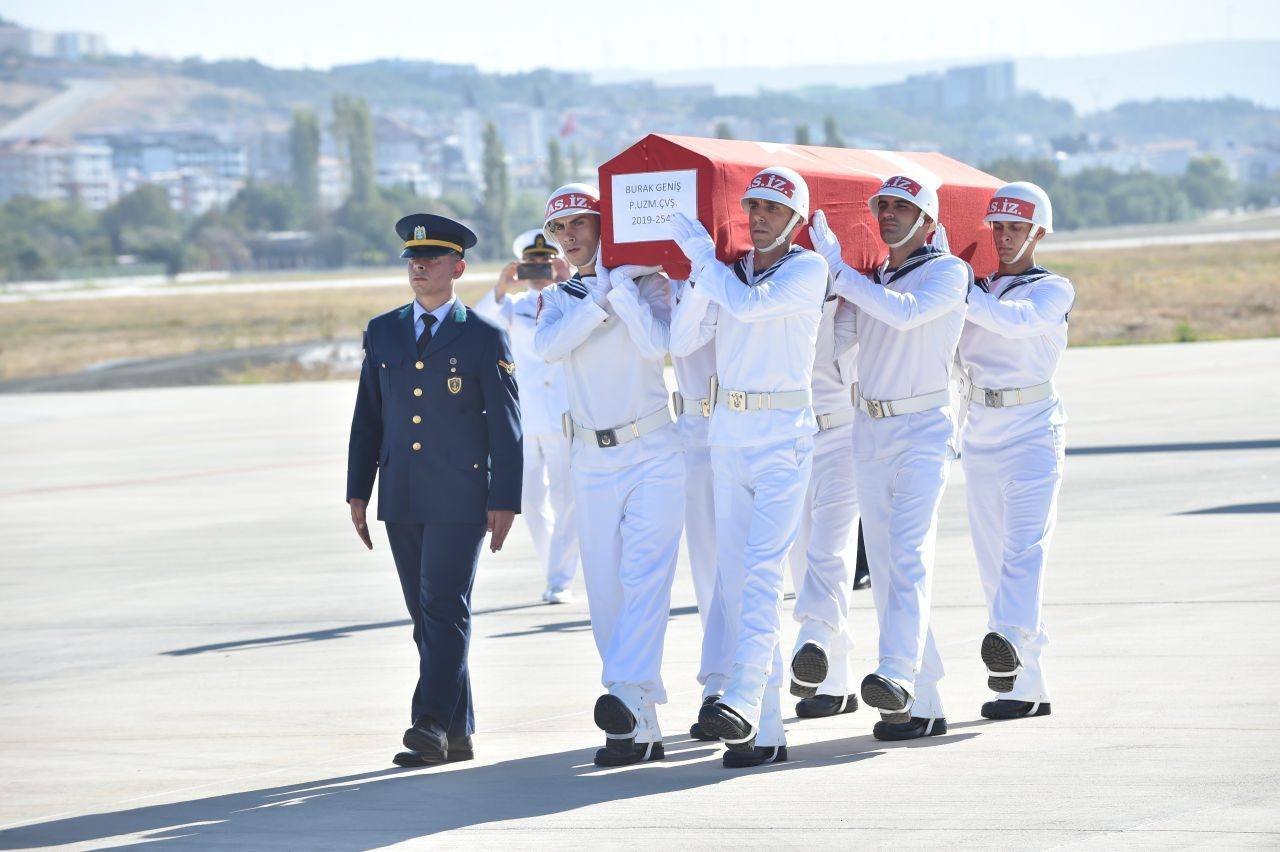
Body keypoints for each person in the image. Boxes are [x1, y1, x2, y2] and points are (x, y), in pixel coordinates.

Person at [346, 213, 522, 767]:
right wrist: (358, 490)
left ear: (458, 267)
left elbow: (506, 425)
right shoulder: (384, 331)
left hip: (460, 495)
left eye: (433, 259)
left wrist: (504, 498)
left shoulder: (483, 334)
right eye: (414, 259)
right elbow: (367, 418)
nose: (420, 266)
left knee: (443, 606)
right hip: (400, 493)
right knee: (425, 617)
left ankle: (428, 723)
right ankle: (459, 730)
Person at [670, 166, 827, 768]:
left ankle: (738, 696)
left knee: (762, 572)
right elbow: (684, 341)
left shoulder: (807, 269)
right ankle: (761, 730)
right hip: (729, 434)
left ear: (796, 220)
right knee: (735, 583)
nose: (758, 217)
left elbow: (749, 307)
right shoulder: (727, 274)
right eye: (753, 207)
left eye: (772, 209)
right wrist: (692, 277)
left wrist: (706, 266)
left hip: (783, 436)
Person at [810, 173, 969, 741]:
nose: (890, 215)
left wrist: (841, 271)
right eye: (884, 207)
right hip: (870, 429)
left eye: (904, 208)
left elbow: (903, 313)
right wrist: (829, 289)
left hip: (923, 427)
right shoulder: (873, 278)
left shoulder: (949, 272)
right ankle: (921, 699)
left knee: (907, 554)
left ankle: (897, 671)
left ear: (927, 221)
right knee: (884, 566)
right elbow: (832, 347)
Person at [532, 182, 685, 767]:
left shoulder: (648, 283)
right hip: (591, 459)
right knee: (605, 591)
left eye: (578, 224)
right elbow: (550, 348)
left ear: (604, 225)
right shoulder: (558, 296)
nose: (569, 237)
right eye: (558, 229)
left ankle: (621, 692)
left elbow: (657, 346)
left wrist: (622, 291)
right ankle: (637, 721)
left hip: (653, 449)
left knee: (646, 575)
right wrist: (599, 298)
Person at [959, 181, 1073, 721]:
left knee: (1024, 550)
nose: (1005, 238)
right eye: (997, 227)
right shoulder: (973, 288)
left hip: (1033, 430)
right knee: (991, 560)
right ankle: (1025, 685)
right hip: (980, 429)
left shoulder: (1054, 289)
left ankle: (1005, 640)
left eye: (1016, 228)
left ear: (1038, 232)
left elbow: (1016, 322)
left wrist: (959, 291)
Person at [474, 229, 579, 604]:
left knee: (568, 501)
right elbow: (478, 322)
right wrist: (500, 287)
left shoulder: (571, 298)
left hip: (565, 418)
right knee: (531, 502)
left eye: (546, 263)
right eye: (532, 264)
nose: (539, 271)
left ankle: (560, 580)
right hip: (526, 418)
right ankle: (555, 566)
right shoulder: (513, 304)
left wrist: (571, 280)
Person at [787, 278, 861, 719]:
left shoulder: (852, 298)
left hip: (842, 433)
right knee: (802, 558)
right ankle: (834, 680)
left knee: (830, 552)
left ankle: (813, 636)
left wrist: (834, 296)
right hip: (794, 436)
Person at [666, 274, 725, 742]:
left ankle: (733, 679)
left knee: (744, 566)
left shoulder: (739, 273)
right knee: (707, 567)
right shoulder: (661, 285)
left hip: (741, 426)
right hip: (690, 428)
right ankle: (719, 681)